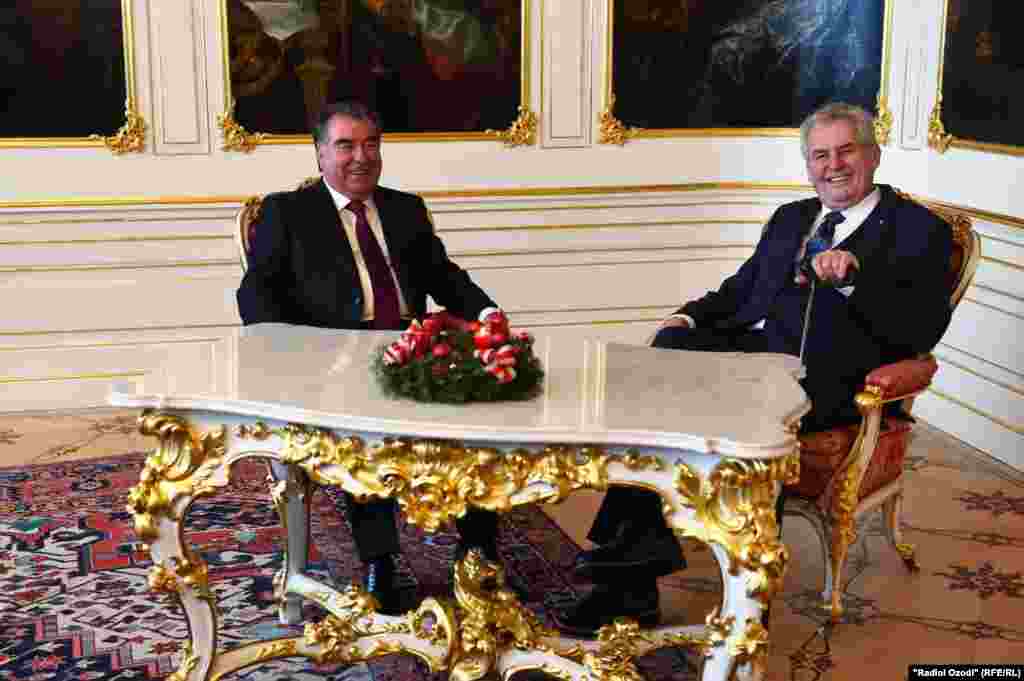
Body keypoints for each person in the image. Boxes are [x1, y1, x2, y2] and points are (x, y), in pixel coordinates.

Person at [553, 102, 954, 637]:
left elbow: (921, 329)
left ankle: (646, 582)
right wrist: (686, 317)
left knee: (712, 408)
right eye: (820, 155)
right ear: (808, 164)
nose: (833, 165)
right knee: (663, 375)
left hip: (827, 377)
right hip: (754, 355)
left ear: (873, 155)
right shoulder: (792, 217)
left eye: (846, 151)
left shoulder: (917, 229)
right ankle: (633, 568)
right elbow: (742, 291)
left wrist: (856, 282)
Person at [237, 99, 511, 614]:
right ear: (320, 153)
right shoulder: (287, 212)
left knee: (481, 412)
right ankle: (379, 560)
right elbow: (256, 296)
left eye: (370, 144)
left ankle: (478, 551)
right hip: (332, 358)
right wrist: (290, 355)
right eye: (345, 145)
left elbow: (444, 277)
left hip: (414, 347)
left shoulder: (405, 209)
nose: (361, 157)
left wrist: (488, 313)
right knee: (365, 426)